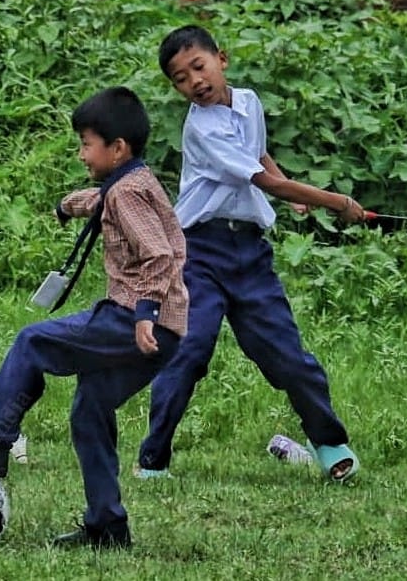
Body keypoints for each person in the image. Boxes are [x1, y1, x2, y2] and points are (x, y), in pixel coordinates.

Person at [0, 86, 188, 549]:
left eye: (86, 144)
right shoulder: (132, 182)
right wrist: (69, 205)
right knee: (89, 410)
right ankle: (107, 528)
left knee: (32, 341)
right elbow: (106, 201)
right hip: (165, 333)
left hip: (133, 320)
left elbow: (160, 254)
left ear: (117, 148)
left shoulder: (126, 192)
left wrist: (145, 314)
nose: (81, 153)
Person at [135, 26, 365, 483]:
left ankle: (328, 443)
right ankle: (153, 460)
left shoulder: (249, 102)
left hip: (250, 255)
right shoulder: (201, 128)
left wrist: (291, 194)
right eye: (180, 79)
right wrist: (336, 202)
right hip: (199, 252)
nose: (194, 82)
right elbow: (264, 181)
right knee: (189, 350)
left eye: (198, 67)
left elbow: (258, 154)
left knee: (287, 356)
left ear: (222, 59)